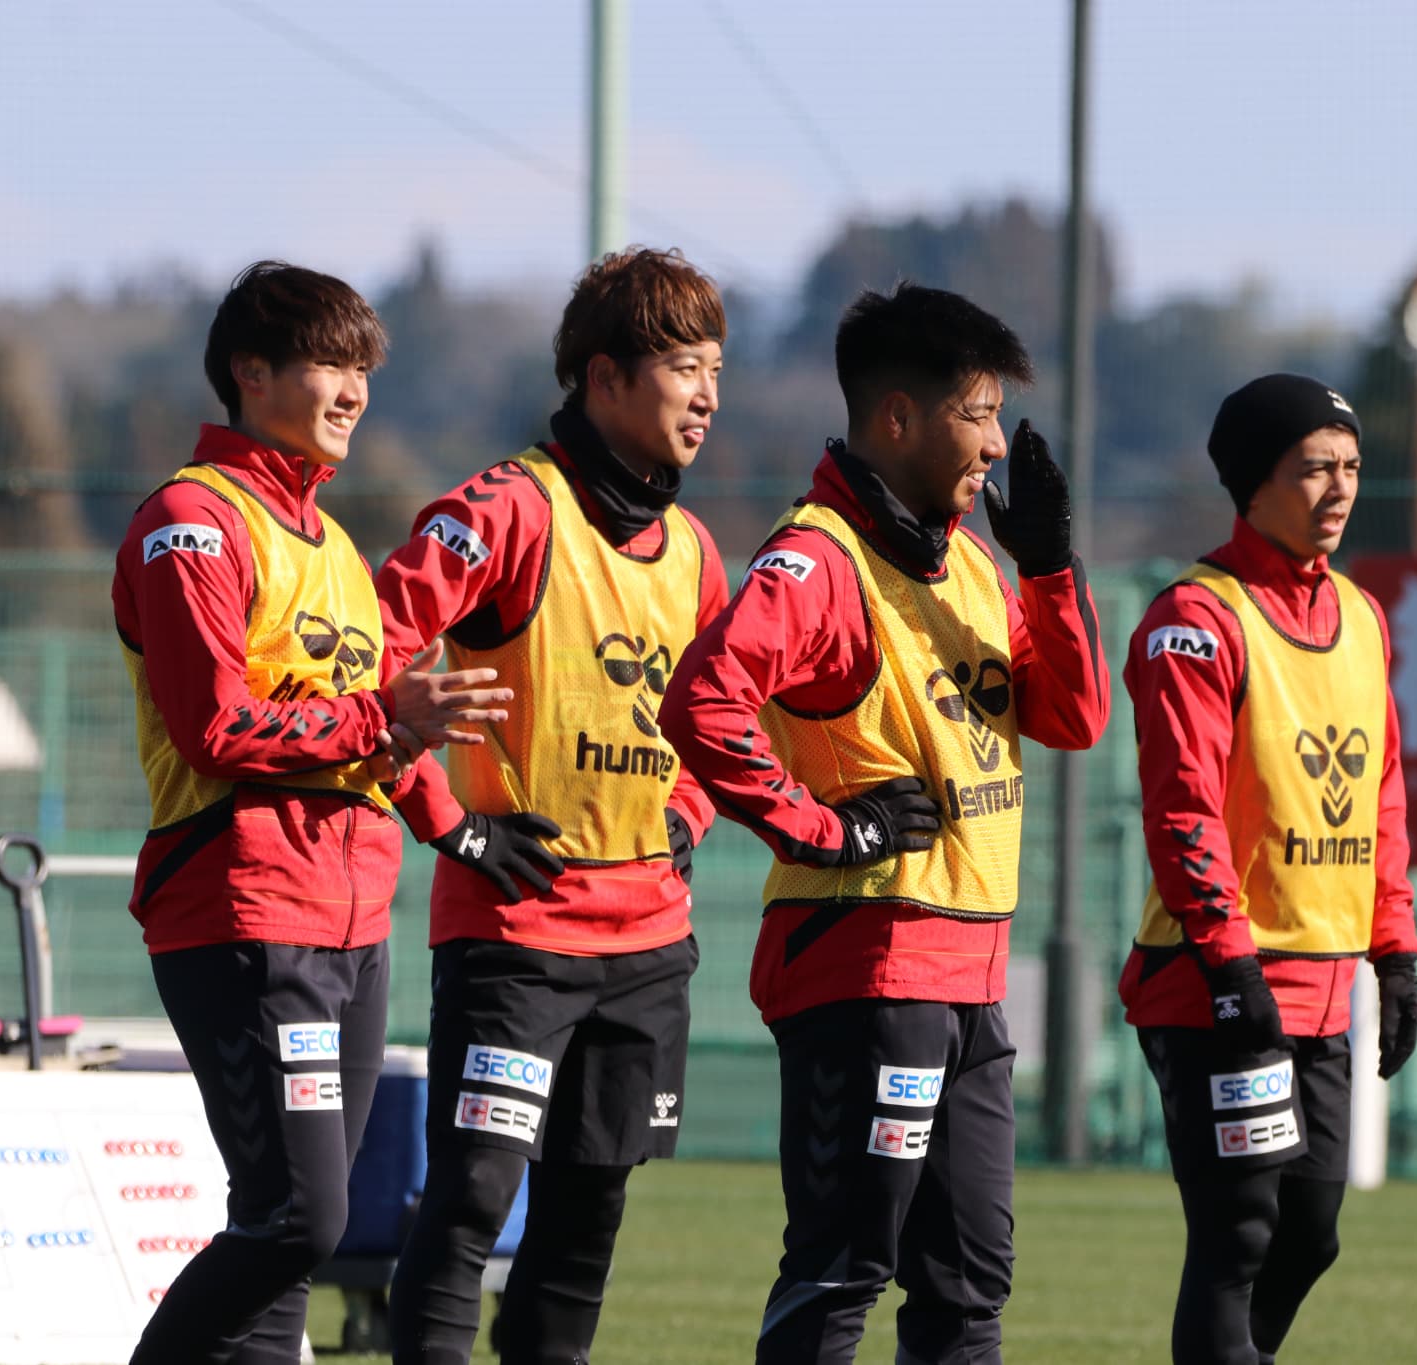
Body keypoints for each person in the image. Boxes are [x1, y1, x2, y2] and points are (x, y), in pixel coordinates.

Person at [661, 282, 1109, 1364]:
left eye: (999, 417)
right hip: (866, 965)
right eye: (977, 415)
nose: (995, 445)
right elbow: (702, 704)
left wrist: (1050, 569)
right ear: (898, 417)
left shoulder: (972, 562)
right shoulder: (817, 560)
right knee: (843, 1266)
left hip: (969, 976)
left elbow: (1074, 717)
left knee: (968, 1286)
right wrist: (824, 829)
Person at [112, 260, 516, 1364]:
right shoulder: (191, 523)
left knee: (288, 1245)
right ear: (250, 371)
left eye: (363, 371)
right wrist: (385, 714)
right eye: (331, 365)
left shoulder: (335, 547)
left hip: (353, 926)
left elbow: (371, 727)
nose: (354, 393)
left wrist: (456, 826)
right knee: (300, 1217)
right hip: (244, 907)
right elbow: (218, 729)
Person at [374, 247, 730, 1364]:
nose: (708, 397)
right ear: (604, 377)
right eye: (684, 369)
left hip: (647, 945)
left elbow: (730, 717)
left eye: (716, 371)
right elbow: (364, 656)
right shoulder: (505, 510)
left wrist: (686, 814)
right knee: (473, 1201)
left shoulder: (695, 552)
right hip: (516, 936)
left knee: (585, 1222)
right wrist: (447, 820)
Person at [1119, 373, 1417, 1364]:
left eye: (1351, 467)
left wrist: (1394, 952)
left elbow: (1381, 793)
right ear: (1253, 482)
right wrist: (1228, 960)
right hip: (1216, 984)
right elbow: (1182, 811)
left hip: (1324, 989)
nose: (1339, 489)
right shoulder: (1194, 619)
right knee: (1237, 1232)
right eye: (1312, 468)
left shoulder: (1363, 617)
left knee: (1308, 1235)